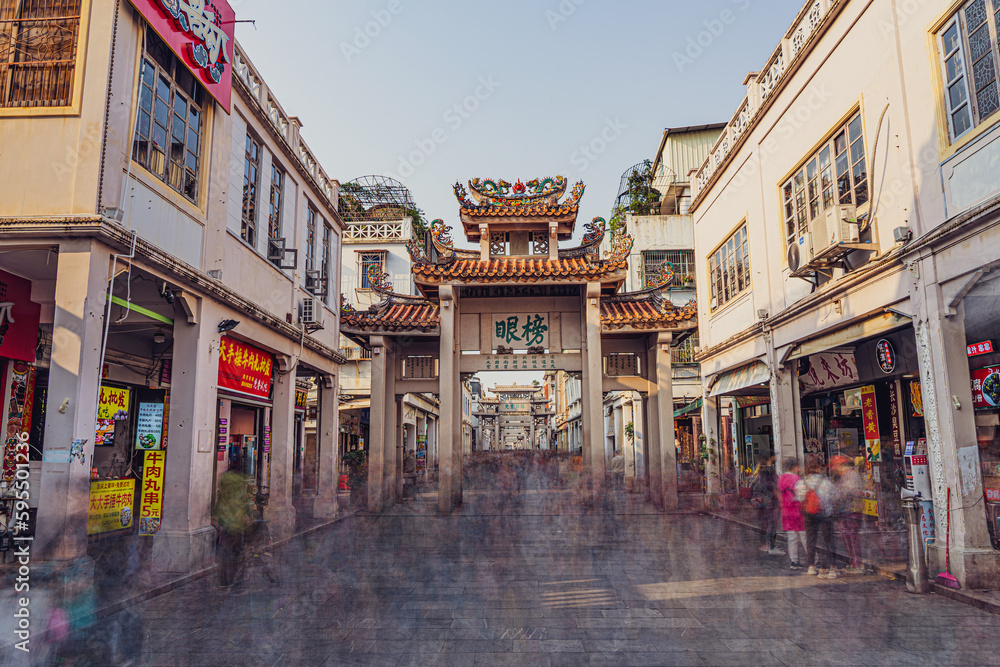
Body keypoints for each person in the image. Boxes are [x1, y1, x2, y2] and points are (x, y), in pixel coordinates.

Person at [796, 461, 837, 578]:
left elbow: (799, 498)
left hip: (809, 514)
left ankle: (811, 566)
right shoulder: (826, 482)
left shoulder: (802, 482)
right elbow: (835, 496)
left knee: (811, 539)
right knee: (828, 540)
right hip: (825, 513)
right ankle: (831, 567)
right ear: (819, 469)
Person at [213, 470, 254, 586]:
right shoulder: (240, 488)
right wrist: (249, 517)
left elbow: (218, 506)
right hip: (236, 524)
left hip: (224, 524)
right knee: (236, 552)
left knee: (226, 549)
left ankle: (224, 578)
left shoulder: (224, 489)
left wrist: (217, 517)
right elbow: (245, 505)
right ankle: (234, 577)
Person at [832, 455, 865, 573]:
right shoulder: (844, 476)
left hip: (853, 511)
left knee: (853, 537)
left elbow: (851, 491)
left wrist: (839, 492)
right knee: (846, 537)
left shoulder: (852, 475)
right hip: (845, 511)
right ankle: (853, 560)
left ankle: (857, 562)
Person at [751, 455, 784, 555]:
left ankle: (765, 544)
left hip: (761, 502)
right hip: (770, 502)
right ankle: (771, 546)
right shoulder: (770, 472)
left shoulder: (759, 472)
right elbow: (775, 485)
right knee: (772, 523)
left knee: (764, 523)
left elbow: (755, 486)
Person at [779, 457, 807, 569]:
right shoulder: (797, 479)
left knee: (792, 537)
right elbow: (802, 496)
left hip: (786, 512)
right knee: (805, 536)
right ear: (795, 466)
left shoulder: (781, 478)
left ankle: (794, 561)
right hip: (798, 512)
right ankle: (814, 560)